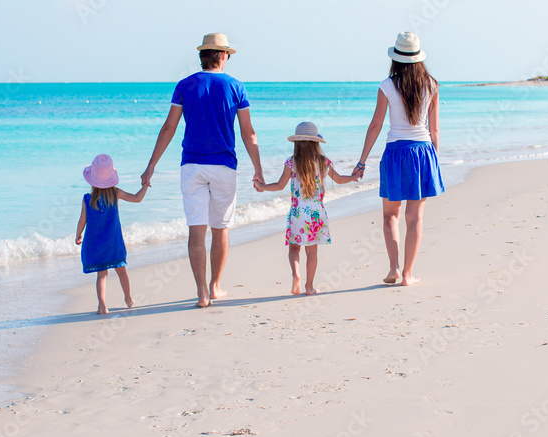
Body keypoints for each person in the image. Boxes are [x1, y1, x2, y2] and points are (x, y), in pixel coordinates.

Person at [141, 33, 263, 308]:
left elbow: (169, 128)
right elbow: (248, 132)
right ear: (222, 56)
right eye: (228, 54)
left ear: (203, 56)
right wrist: (258, 169)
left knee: (196, 231)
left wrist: (151, 167)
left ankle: (201, 293)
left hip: (192, 166)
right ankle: (215, 286)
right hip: (223, 166)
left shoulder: (185, 85)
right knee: (220, 229)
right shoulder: (236, 87)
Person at [353, 32, 443, 286]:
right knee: (415, 217)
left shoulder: (387, 85)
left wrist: (362, 162)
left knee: (390, 215)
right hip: (422, 152)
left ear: (396, 58)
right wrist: (434, 160)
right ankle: (408, 274)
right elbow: (434, 130)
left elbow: (375, 126)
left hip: (395, 153)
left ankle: (393, 268)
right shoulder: (432, 85)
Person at [256, 122, 359, 295]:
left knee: (294, 248)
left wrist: (263, 186)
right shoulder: (323, 162)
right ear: (315, 143)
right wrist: (354, 176)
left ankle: (296, 275)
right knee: (312, 251)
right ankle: (309, 286)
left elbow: (280, 185)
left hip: (297, 212)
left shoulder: (291, 162)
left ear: (297, 143)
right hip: (316, 213)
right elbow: (340, 179)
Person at [75, 154, 148, 314]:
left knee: (102, 274)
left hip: (96, 244)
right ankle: (128, 299)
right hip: (113, 242)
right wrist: (145, 186)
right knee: (121, 270)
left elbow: (82, 221)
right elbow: (137, 198)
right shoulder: (115, 194)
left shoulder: (88, 199)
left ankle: (101, 306)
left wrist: (78, 235)